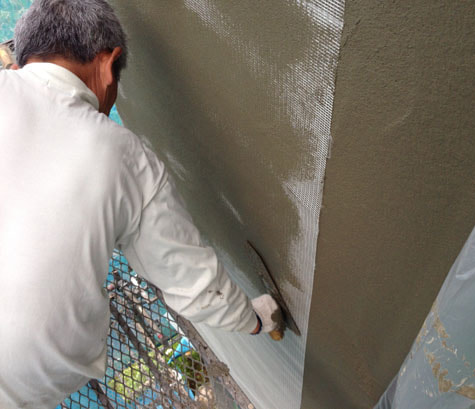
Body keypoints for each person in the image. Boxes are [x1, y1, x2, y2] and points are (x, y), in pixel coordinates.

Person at [0, 0, 281, 407]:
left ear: (21, 59)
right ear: (107, 63)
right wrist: (253, 319)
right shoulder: (122, 155)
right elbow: (194, 285)